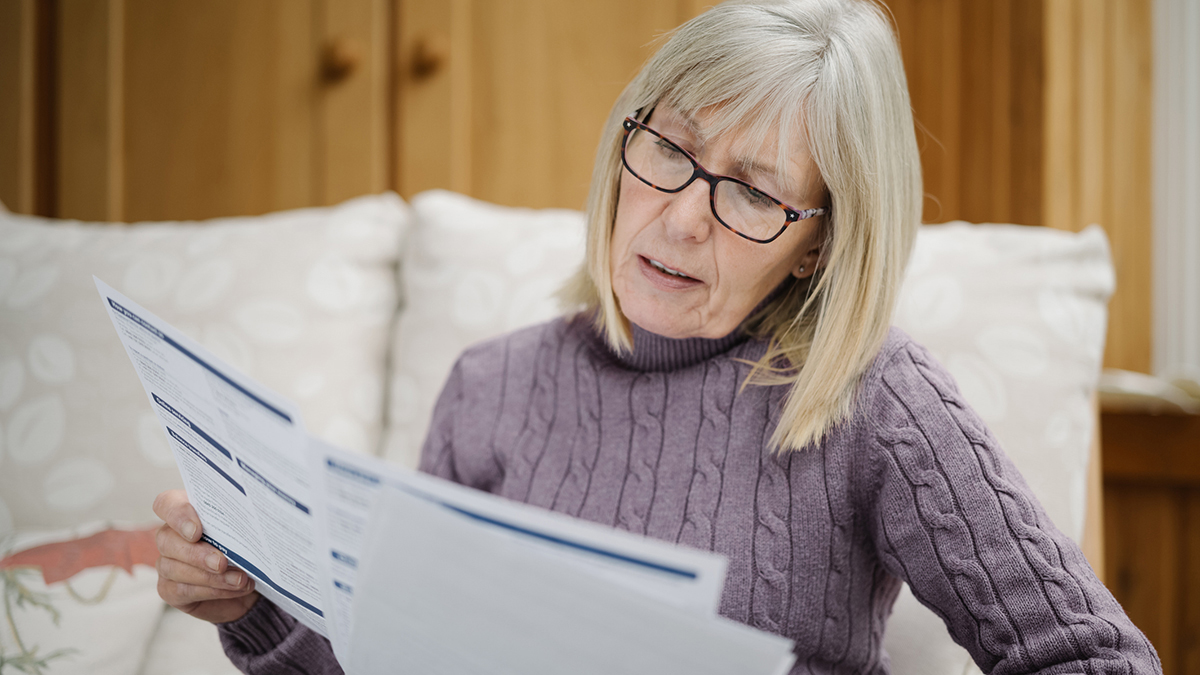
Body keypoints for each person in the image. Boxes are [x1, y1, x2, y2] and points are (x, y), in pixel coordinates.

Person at [152, 0, 1162, 672]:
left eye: (754, 194)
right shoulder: (490, 388)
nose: (682, 218)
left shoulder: (875, 398)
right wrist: (257, 605)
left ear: (817, 246)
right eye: (669, 149)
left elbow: (1097, 662)